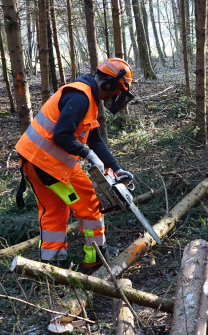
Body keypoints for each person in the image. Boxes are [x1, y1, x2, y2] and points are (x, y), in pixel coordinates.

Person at [15, 58, 135, 272]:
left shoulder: (87, 97)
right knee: (90, 205)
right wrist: (88, 155)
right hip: (48, 162)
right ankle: (96, 259)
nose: (114, 96)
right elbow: (62, 136)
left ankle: (52, 267)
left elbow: (95, 139)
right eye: (115, 90)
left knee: (53, 211)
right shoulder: (80, 97)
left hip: (32, 160)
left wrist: (115, 168)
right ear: (108, 83)